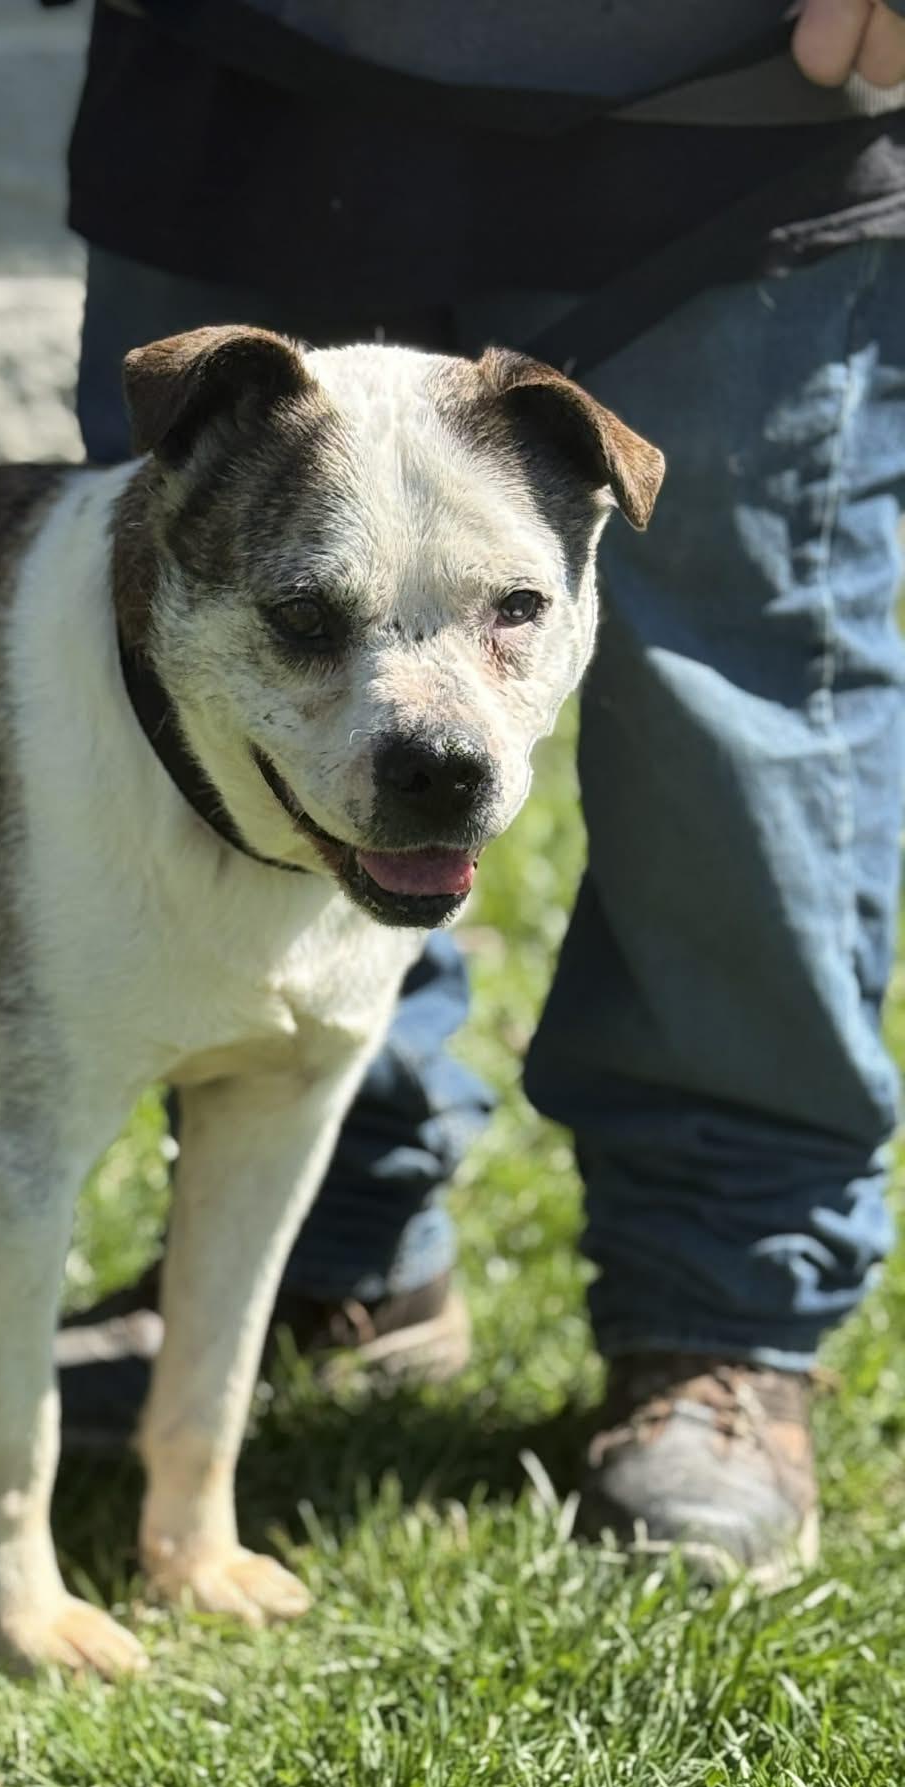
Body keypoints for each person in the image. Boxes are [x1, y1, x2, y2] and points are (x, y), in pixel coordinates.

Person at [46, 0, 905, 1585]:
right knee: (226, 674)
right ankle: (331, 1248)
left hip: (728, 82)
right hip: (243, 65)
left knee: (734, 691)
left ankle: (723, 1318)